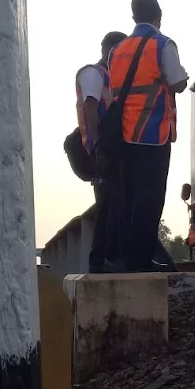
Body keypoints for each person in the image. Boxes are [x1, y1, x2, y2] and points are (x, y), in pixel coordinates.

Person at [108, 0, 188, 272]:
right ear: (159, 15)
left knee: (128, 197)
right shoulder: (162, 45)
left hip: (124, 134)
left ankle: (130, 257)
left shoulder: (117, 50)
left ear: (133, 18)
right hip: (153, 133)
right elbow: (177, 83)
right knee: (150, 197)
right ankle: (141, 261)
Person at [76, 31, 129, 272]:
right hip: (101, 149)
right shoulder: (94, 74)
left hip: (111, 148)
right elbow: (90, 106)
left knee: (113, 203)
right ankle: (103, 260)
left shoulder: (109, 76)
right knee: (109, 203)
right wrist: (98, 146)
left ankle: (109, 258)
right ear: (111, 49)